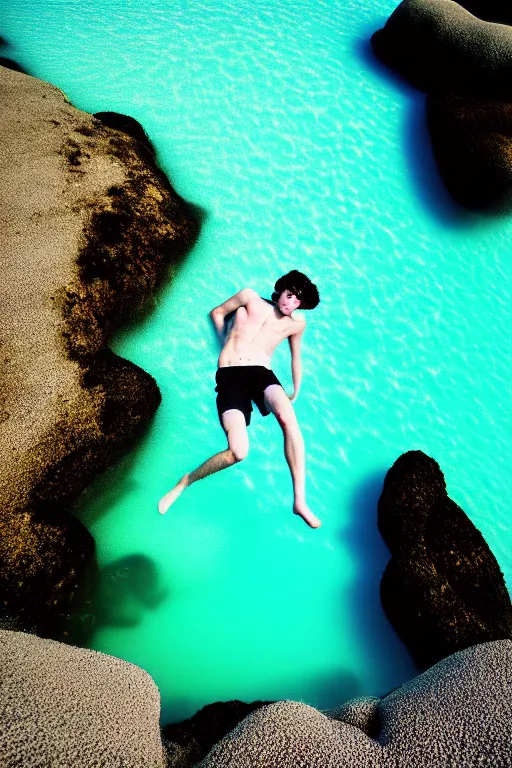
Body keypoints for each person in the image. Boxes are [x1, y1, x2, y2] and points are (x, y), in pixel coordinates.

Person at [158, 270, 321, 528]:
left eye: (297, 301)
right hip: (230, 374)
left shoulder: (297, 324)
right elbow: (217, 313)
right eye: (289, 295)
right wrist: (225, 342)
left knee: (288, 418)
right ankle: (186, 481)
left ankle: (300, 501)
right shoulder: (249, 297)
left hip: (261, 372)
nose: (290, 303)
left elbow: (295, 357)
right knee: (238, 452)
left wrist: (296, 390)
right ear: (280, 290)